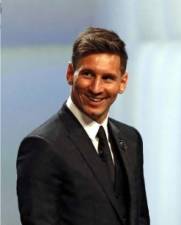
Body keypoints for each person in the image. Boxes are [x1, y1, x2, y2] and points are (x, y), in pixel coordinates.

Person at [17, 27, 150, 225]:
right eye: (88, 74)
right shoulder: (42, 146)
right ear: (70, 74)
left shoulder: (131, 139)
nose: (96, 88)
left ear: (122, 83)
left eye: (107, 78)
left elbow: (139, 218)